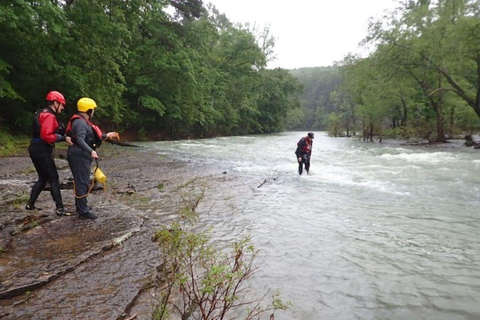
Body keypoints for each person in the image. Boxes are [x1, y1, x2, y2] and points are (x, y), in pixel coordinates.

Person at [66, 97, 119, 220]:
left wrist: (107, 135)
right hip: (79, 155)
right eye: (93, 109)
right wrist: (91, 151)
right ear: (88, 110)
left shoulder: (82, 122)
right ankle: (83, 211)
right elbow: (80, 139)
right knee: (82, 182)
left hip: (81, 154)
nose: (94, 111)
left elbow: (92, 137)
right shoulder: (80, 123)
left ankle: (82, 208)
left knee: (82, 181)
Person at [25, 91, 74, 216]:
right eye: (62, 105)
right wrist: (63, 138)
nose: (63, 108)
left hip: (35, 147)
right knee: (53, 178)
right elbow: (47, 136)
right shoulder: (49, 116)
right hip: (41, 149)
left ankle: (30, 204)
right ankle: (60, 208)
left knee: (43, 177)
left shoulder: (42, 112)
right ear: (55, 103)